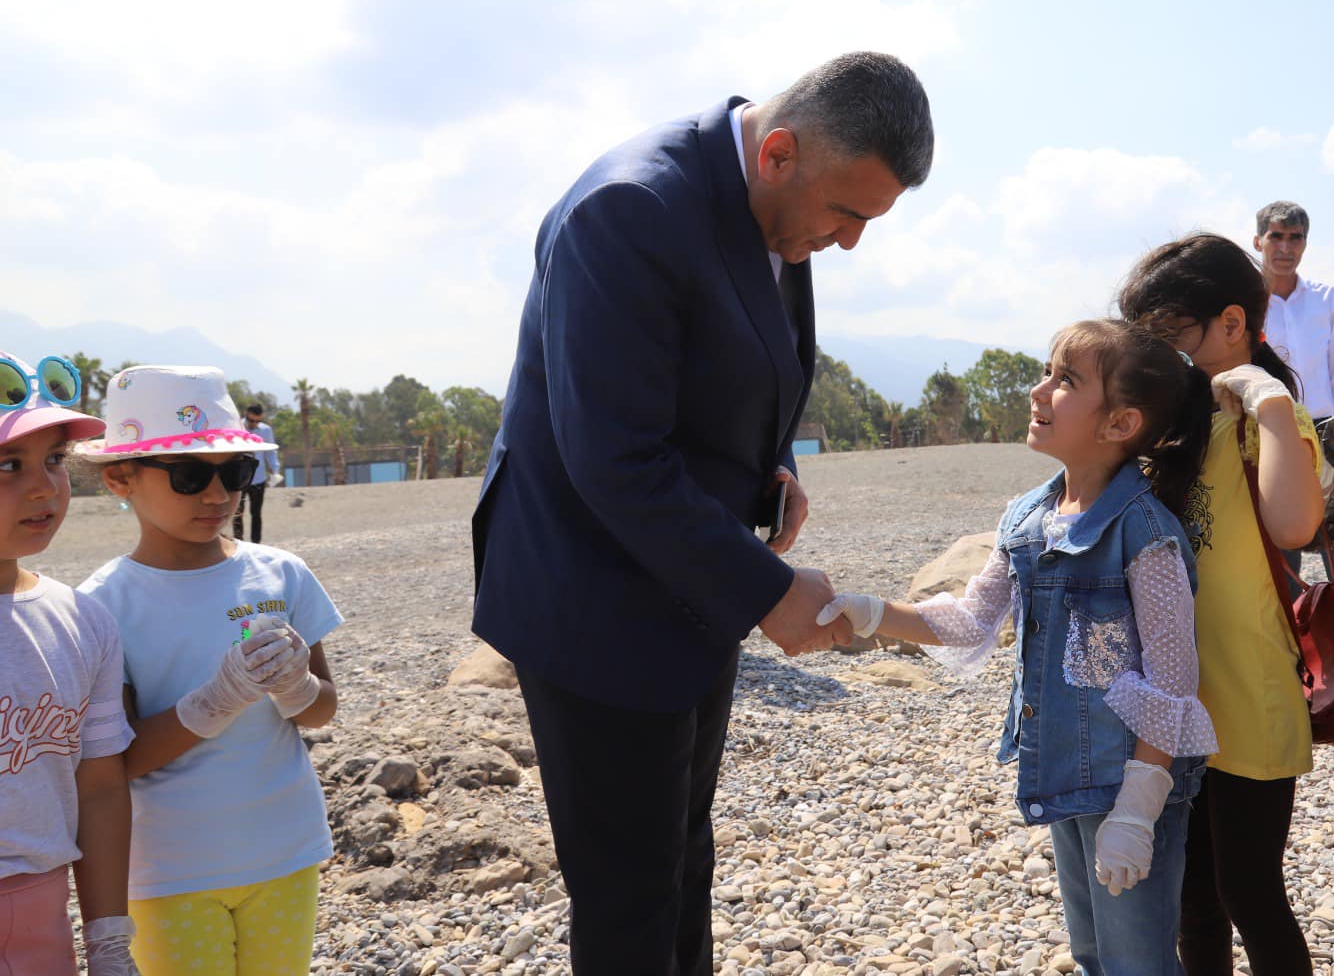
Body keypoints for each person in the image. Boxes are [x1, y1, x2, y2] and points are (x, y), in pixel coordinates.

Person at [470, 52, 935, 974]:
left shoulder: (775, 206)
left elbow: (729, 368)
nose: (848, 243)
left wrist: (770, 462)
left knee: (681, 855)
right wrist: (767, 589)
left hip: (685, 579)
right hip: (592, 593)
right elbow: (613, 455)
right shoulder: (632, 209)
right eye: (847, 213)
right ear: (780, 152)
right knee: (629, 891)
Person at [819, 319, 1218, 976]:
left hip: (1124, 783)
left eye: (1066, 380)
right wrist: (871, 614)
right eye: (1047, 371)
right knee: (1095, 956)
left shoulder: (1146, 533)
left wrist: (1141, 808)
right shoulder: (1027, 517)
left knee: (1139, 964)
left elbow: (1173, 681)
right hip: (1062, 771)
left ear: (1120, 424)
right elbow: (972, 620)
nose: (1039, 391)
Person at [75, 365, 342, 976]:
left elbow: (324, 710)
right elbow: (113, 764)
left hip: (286, 851)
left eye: (235, 473)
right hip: (171, 872)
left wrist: (296, 685)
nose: (219, 497)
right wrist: (214, 702)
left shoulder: (282, 574)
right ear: (121, 478)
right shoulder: (102, 606)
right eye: (191, 476)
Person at [1118, 235, 1324, 976]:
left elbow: (1295, 526)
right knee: (1190, 898)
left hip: (1251, 694)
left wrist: (1268, 402)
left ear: (1232, 323)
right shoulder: (1174, 420)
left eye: (1170, 333)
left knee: (1251, 893)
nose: (1158, 352)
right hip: (1175, 699)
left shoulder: (1266, 418)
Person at [0, 352, 140, 975]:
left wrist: (109, 941)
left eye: (54, 461)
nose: (43, 487)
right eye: (9, 465)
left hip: (43, 917)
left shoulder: (84, 623)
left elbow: (102, 788)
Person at [1254, 201, 1334, 580]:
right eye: (1276, 237)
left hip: (1324, 427)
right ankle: (1292, 630)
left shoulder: (1324, 298)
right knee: (1283, 534)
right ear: (1258, 241)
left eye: (1294, 238)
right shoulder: (1247, 303)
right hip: (1270, 432)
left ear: (1305, 244)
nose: (1285, 248)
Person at [231, 403, 280, 544]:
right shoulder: (236, 427)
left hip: (259, 478)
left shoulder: (266, 430)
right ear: (246, 415)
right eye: (251, 420)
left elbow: (270, 452)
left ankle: (256, 543)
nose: (254, 424)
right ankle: (238, 542)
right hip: (239, 477)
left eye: (257, 421)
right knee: (237, 513)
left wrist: (275, 469)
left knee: (256, 513)